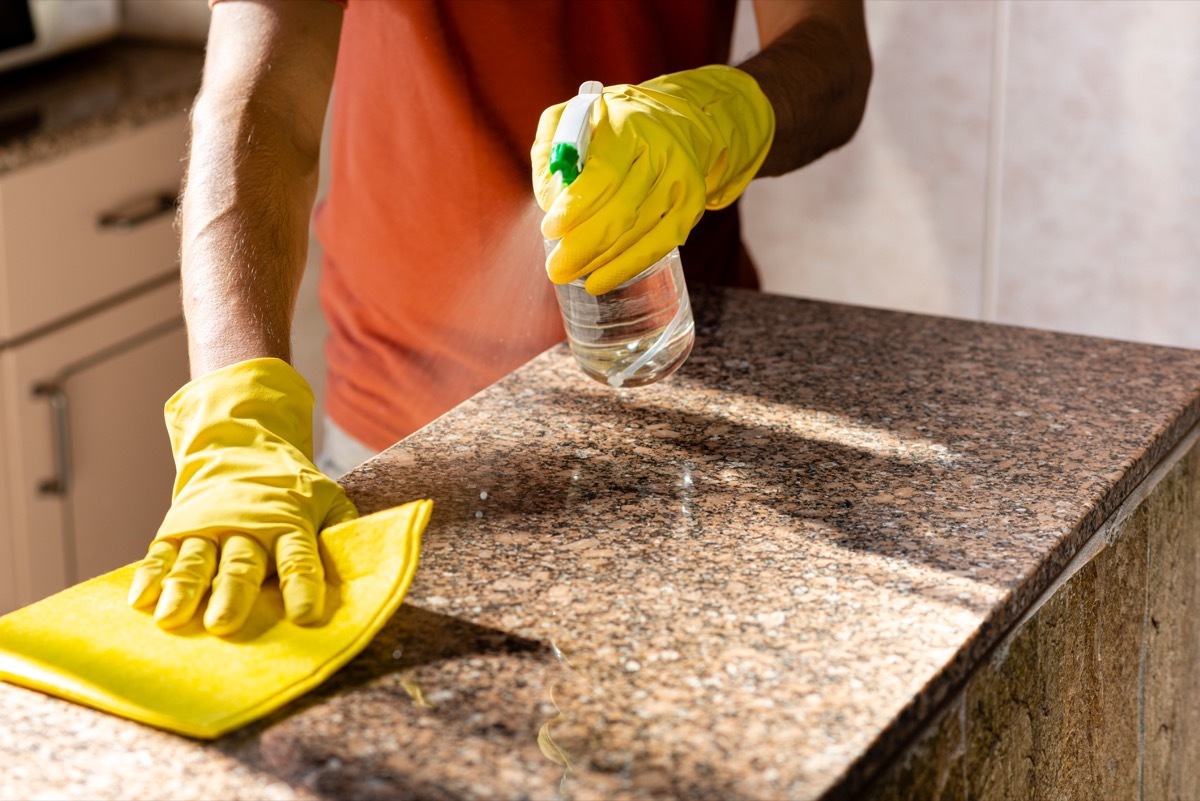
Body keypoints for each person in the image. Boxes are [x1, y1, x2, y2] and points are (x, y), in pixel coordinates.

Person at [126, 0, 872, 636]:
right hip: (405, 436)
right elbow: (259, 101)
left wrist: (711, 121)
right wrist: (237, 418)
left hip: (690, 397)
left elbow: (831, 48)